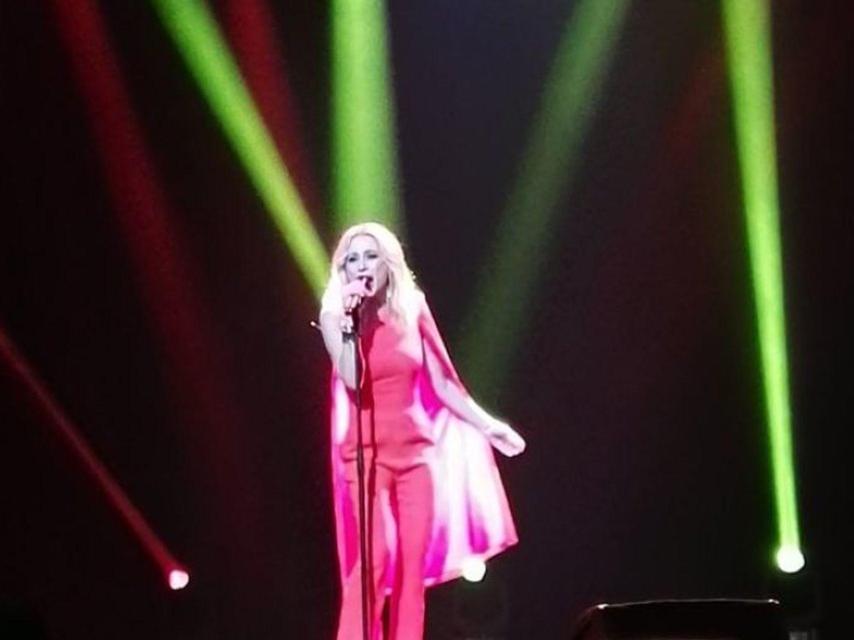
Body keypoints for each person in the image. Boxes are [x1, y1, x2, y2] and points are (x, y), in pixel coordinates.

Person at [319, 222, 525, 640]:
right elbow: (353, 379)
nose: (362, 266)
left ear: (388, 263)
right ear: (343, 270)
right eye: (352, 259)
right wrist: (350, 324)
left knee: (412, 569)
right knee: (374, 557)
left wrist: (489, 427)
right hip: (364, 457)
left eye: (371, 256)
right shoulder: (334, 316)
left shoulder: (413, 308)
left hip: (416, 456)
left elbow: (444, 382)